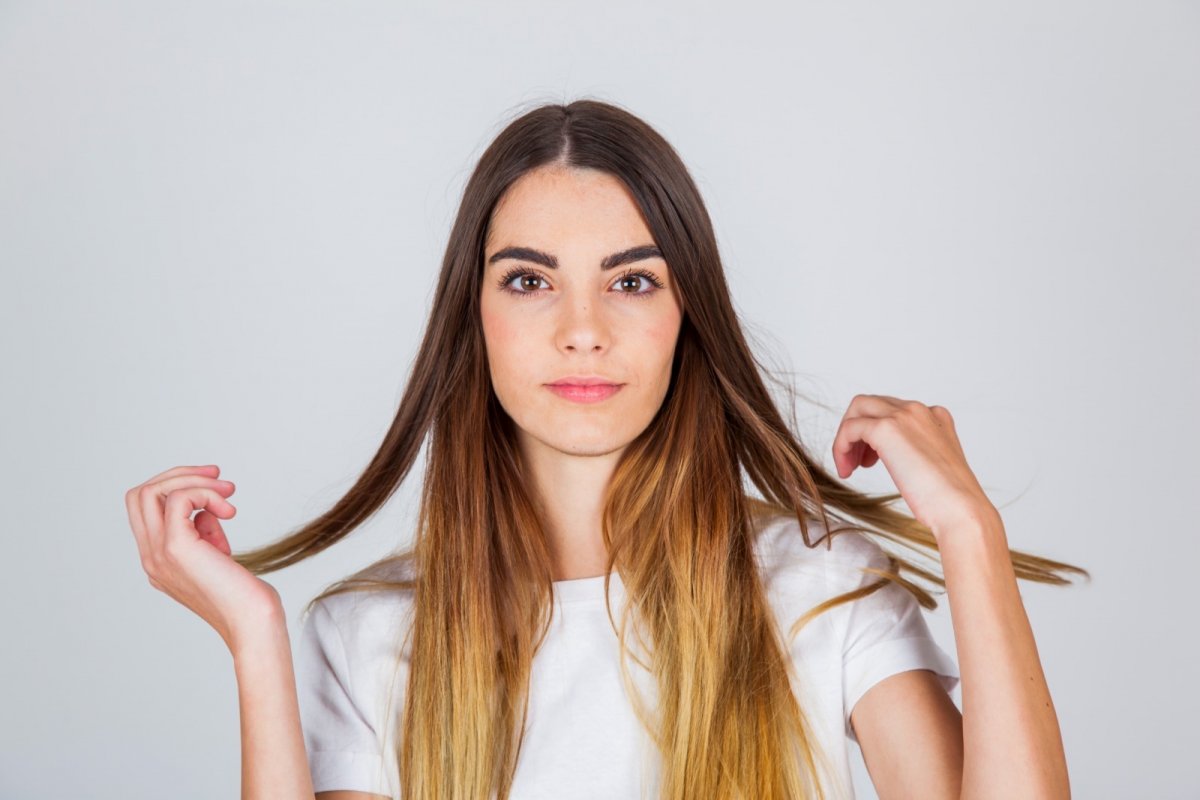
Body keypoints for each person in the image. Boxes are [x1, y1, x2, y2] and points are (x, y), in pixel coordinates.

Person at [123, 99, 1088, 800]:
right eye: (530, 281)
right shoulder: (370, 636)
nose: (582, 331)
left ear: (686, 315)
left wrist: (970, 535)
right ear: (476, 319)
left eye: (631, 283)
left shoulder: (822, 588)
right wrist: (255, 641)